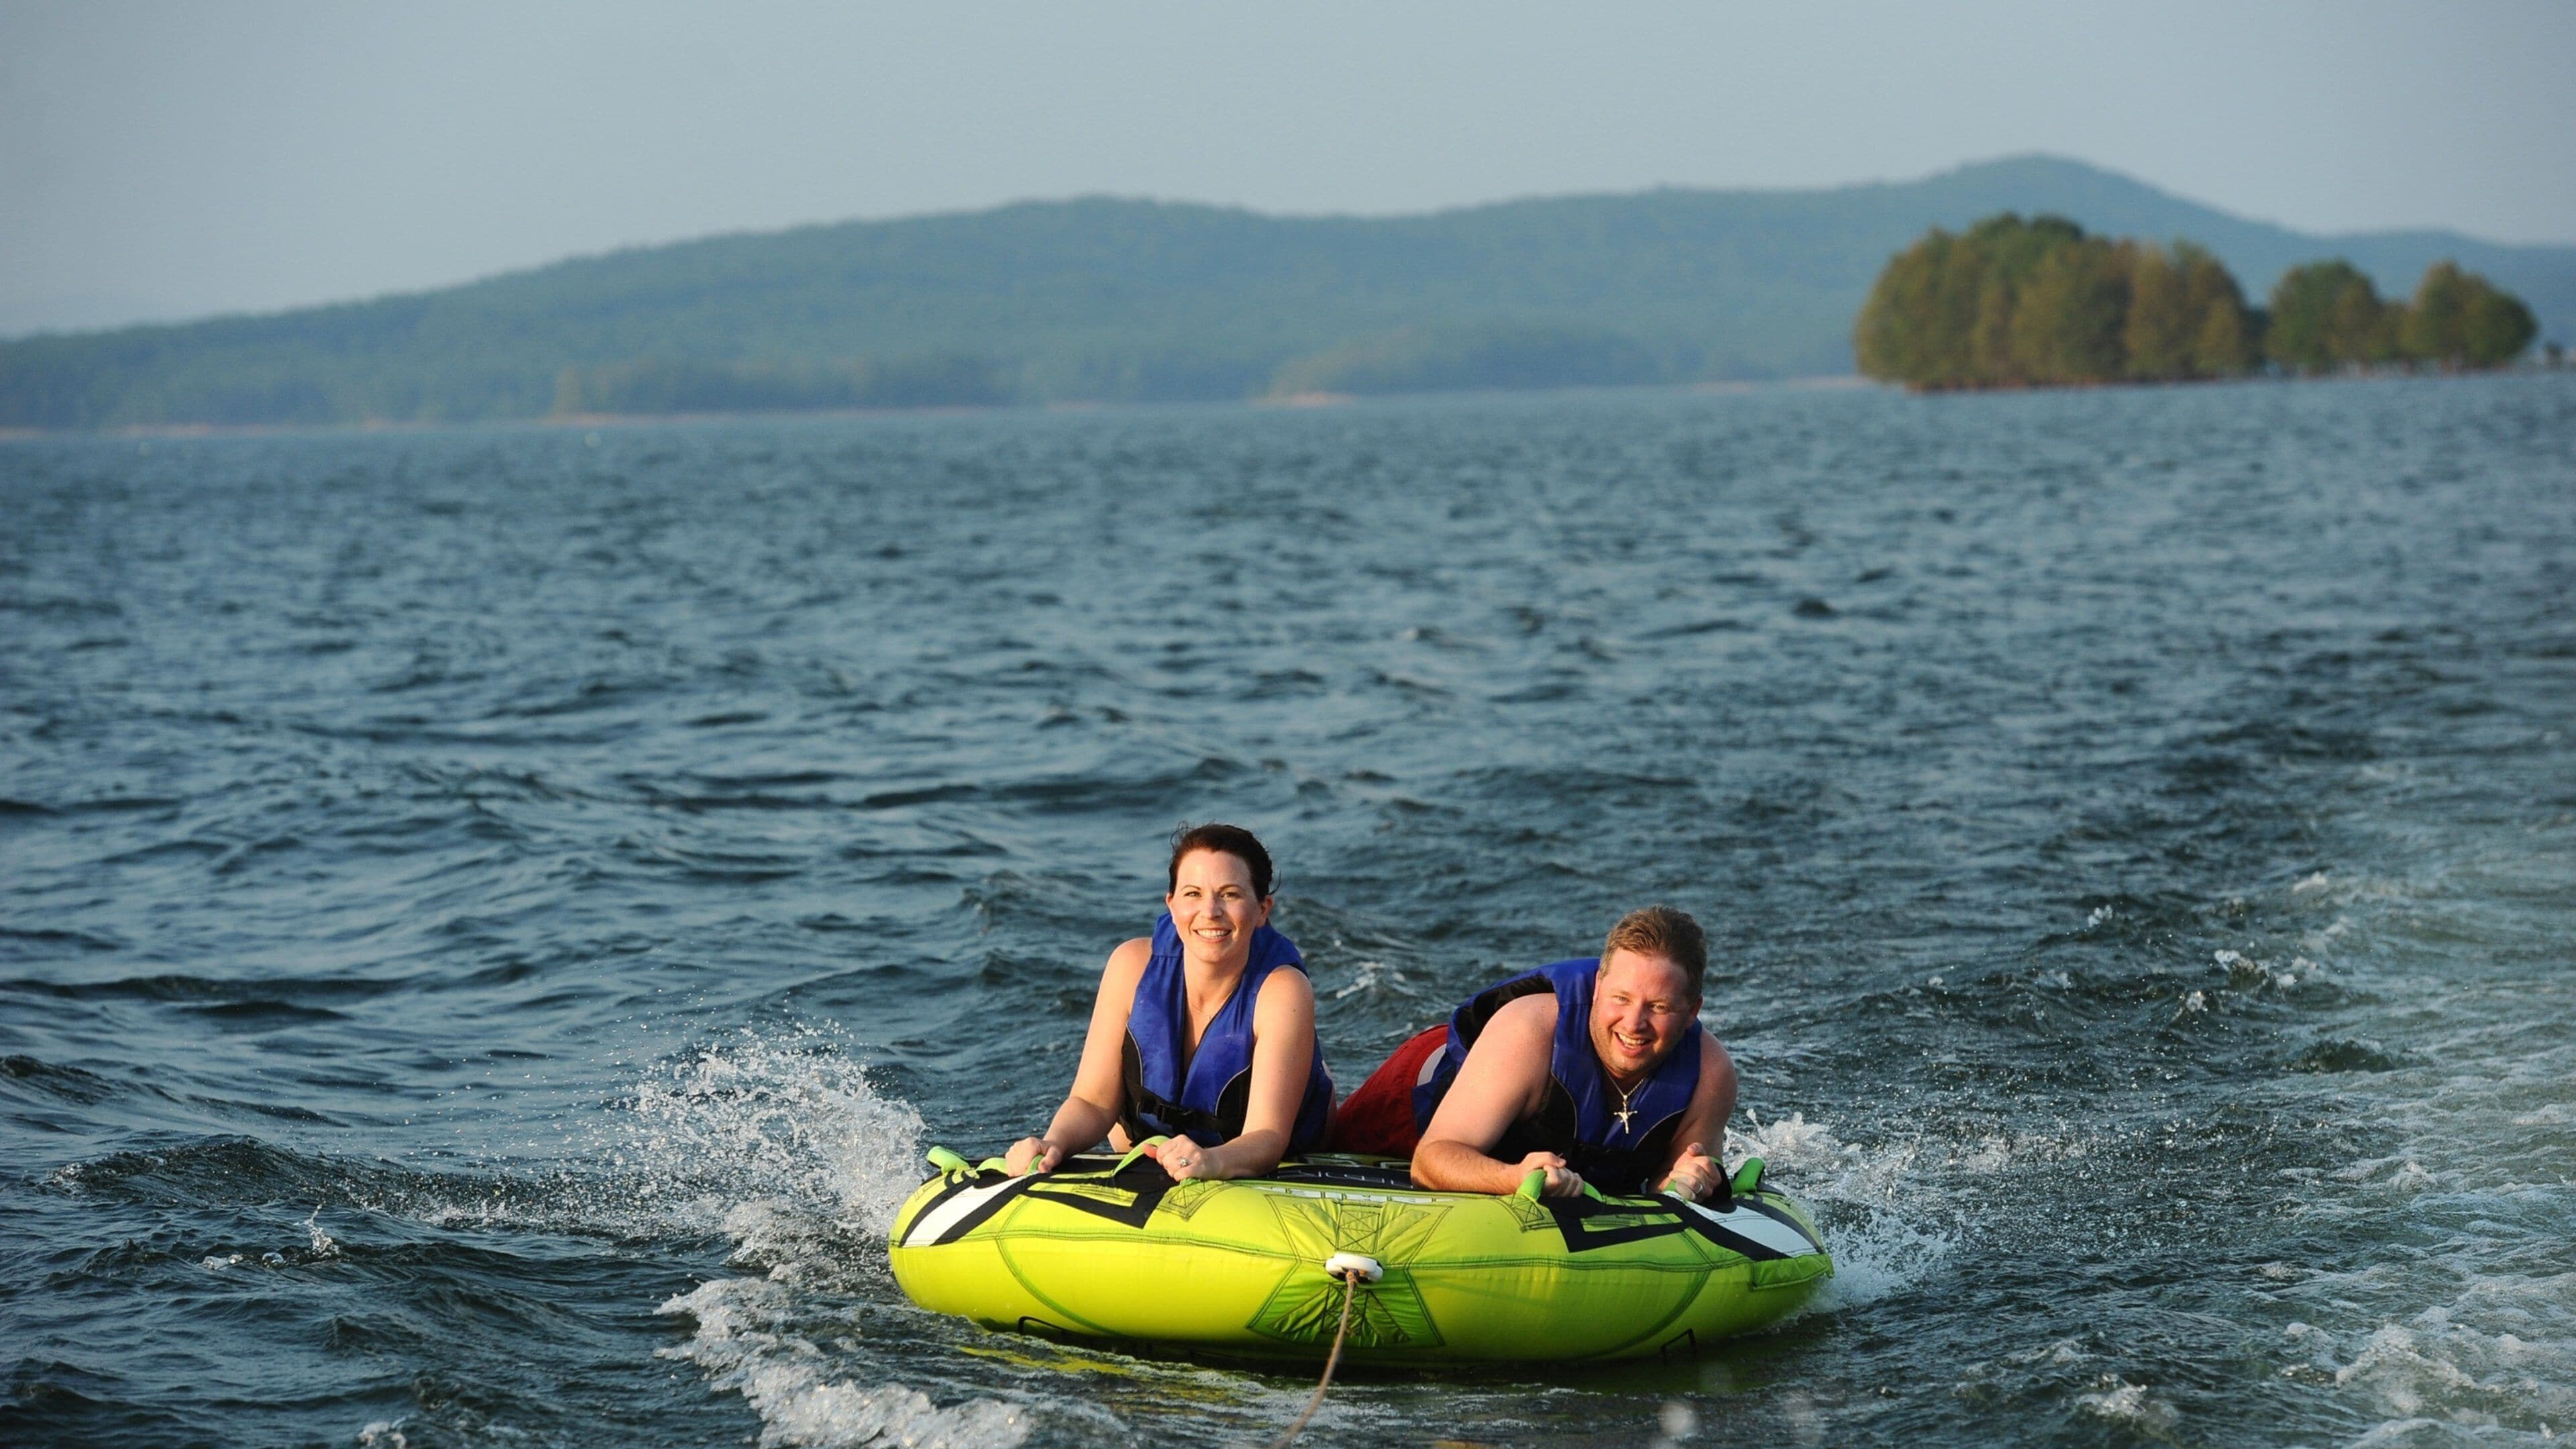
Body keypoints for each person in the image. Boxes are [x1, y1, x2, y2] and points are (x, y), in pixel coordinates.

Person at [1332, 905, 1735, 1200]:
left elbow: (1666, 1181)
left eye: (1659, 1007)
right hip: (1416, 1102)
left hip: (1535, 1126)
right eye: (1621, 999)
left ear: (1692, 1012)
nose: (1634, 1023)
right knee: (1318, 1146)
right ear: (1597, 988)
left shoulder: (1710, 1075)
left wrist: (1686, 1181)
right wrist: (1516, 1177)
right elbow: (1432, 1159)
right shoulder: (1529, 1032)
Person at [1005, 823, 1333, 1183]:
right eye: (1192, 894)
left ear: (1262, 910)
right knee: (1116, 1133)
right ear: (1171, 904)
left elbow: (1268, 1136)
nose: (1210, 911)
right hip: (1156, 1145)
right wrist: (1053, 1143)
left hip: (1266, 1152)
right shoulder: (1130, 966)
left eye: (1230, 894)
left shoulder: (1283, 991)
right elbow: (1092, 1102)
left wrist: (1211, 1162)